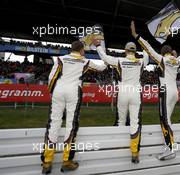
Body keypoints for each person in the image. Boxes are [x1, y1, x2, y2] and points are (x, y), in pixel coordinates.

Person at [130, 21, 180, 160]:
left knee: (164, 120)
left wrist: (136, 36)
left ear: (162, 52)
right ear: (170, 52)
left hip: (165, 90)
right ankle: (167, 147)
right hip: (174, 91)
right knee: (168, 120)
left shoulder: (161, 59)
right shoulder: (177, 60)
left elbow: (148, 48)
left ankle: (171, 149)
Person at [41, 41, 107, 174]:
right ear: (81, 50)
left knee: (54, 124)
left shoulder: (60, 59)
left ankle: (47, 162)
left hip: (58, 90)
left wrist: (52, 92)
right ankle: (67, 161)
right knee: (71, 126)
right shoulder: (85, 62)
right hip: (74, 92)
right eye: (84, 50)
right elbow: (103, 67)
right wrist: (104, 53)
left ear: (71, 49)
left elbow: (51, 78)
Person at [92, 39, 149, 164]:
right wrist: (143, 47)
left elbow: (105, 58)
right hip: (135, 93)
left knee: (121, 121)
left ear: (125, 51)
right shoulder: (141, 61)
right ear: (135, 51)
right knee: (135, 123)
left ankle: (118, 148)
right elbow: (147, 55)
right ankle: (134, 153)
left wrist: (98, 46)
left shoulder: (119, 61)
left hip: (123, 92)